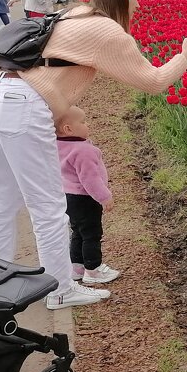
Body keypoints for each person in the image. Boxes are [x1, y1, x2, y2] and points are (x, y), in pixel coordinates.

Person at [0, 0, 187, 309]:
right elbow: (153, 81)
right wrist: (186, 54)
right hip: (22, 104)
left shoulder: (74, 12)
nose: (138, 5)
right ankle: (61, 290)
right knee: (49, 207)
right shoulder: (107, 30)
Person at [57, 106, 119, 286]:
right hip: (85, 198)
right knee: (92, 234)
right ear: (68, 129)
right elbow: (90, 179)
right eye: (83, 122)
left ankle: (77, 268)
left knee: (78, 231)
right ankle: (93, 270)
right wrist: (104, 197)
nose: (87, 124)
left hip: (68, 197)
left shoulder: (58, 145)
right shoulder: (84, 151)